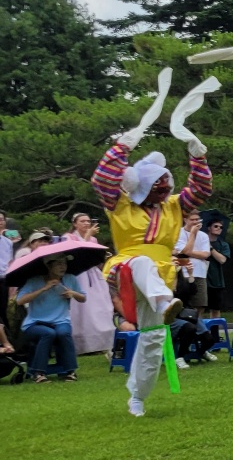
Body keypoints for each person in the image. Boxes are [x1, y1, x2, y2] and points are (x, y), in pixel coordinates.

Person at [94, 69, 214, 416]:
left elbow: (201, 190)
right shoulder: (119, 204)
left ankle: (137, 396)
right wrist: (123, 146)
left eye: (165, 184)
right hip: (128, 269)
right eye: (157, 185)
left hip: (161, 276)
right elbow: (102, 178)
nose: (163, 189)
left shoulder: (173, 206)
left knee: (154, 337)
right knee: (142, 262)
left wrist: (197, 155)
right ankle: (164, 303)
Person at [17, 254, 85, 383]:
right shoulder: (34, 281)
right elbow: (20, 301)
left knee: (63, 333)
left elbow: (83, 298)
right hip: (35, 323)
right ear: (49, 266)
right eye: (58, 264)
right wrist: (44, 288)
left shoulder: (69, 279)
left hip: (61, 320)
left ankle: (70, 371)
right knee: (48, 333)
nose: (63, 267)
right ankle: (38, 373)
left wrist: (73, 293)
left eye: (64, 263)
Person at [63, 212, 115, 355]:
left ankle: (101, 343)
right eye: (82, 221)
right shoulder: (68, 237)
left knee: (99, 305)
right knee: (82, 309)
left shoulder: (93, 239)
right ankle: (82, 345)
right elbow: (78, 255)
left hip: (93, 273)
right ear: (75, 224)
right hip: (79, 274)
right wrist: (87, 237)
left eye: (88, 221)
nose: (86, 223)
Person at [173, 210, 211, 312]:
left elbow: (205, 254)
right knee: (182, 302)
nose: (195, 222)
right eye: (192, 220)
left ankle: (198, 321)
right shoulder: (178, 233)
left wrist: (188, 252)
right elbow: (185, 251)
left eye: (197, 219)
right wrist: (192, 234)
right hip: (183, 272)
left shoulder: (204, 235)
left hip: (200, 273)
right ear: (185, 220)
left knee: (200, 304)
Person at [203, 217, 229, 320]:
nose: (219, 228)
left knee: (215, 309)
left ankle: (215, 329)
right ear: (209, 228)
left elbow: (222, 260)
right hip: (201, 279)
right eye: (216, 226)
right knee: (199, 307)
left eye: (221, 227)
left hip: (216, 281)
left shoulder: (223, 244)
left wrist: (210, 248)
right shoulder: (200, 242)